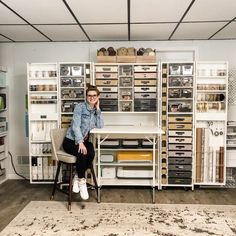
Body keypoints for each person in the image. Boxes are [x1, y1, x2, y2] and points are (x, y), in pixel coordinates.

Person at [63, 85, 104, 200]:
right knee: (82, 152)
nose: (91, 97)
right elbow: (75, 126)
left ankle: (77, 176)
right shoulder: (79, 107)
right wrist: (80, 142)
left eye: (94, 95)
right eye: (89, 95)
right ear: (86, 97)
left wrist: (98, 109)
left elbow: (100, 125)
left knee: (91, 153)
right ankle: (82, 181)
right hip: (71, 141)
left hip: (84, 141)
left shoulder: (95, 110)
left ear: (98, 97)